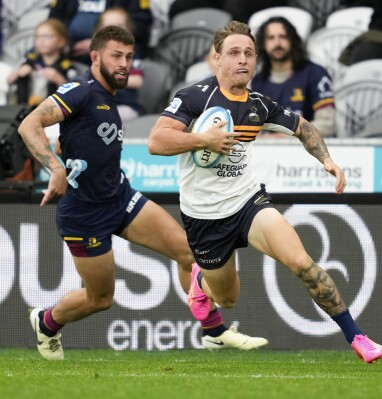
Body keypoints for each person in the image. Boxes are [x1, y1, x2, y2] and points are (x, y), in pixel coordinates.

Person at [18, 25, 267, 361]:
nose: (124, 63)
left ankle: (214, 332)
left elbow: (80, 136)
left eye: (129, 57)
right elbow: (28, 125)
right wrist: (57, 167)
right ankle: (47, 322)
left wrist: (71, 145)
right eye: (116, 56)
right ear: (95, 57)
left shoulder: (108, 97)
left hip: (119, 197)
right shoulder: (80, 90)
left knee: (188, 253)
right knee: (100, 299)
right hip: (84, 214)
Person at [147, 20, 382, 363]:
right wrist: (204, 140)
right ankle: (200, 285)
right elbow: (156, 142)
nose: (242, 60)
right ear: (216, 59)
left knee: (303, 263)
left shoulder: (259, 105)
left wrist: (327, 159)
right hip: (205, 216)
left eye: (248, 53)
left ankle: (358, 337)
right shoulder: (194, 97)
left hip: (249, 202)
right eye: (233, 53)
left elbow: (303, 127)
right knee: (228, 298)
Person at [251, 16, 336, 137]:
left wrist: (286, 136)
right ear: (263, 44)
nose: (277, 43)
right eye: (271, 38)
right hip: (267, 152)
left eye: (283, 37)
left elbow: (328, 125)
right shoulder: (256, 82)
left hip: (308, 150)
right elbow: (249, 128)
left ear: (292, 40)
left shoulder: (315, 73)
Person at [49, 0, 152, 64]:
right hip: (68, 48)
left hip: (113, 45)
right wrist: (66, 45)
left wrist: (99, 42)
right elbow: (53, 22)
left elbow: (140, 25)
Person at [7, 18, 79, 106]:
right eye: (38, 36)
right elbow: (8, 81)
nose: (41, 40)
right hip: (22, 109)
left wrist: (58, 79)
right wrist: (18, 72)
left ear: (61, 41)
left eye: (47, 36)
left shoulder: (66, 66)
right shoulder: (29, 60)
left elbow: (75, 95)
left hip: (51, 112)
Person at [95, 7, 142, 121]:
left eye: (120, 26)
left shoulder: (132, 50)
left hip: (124, 106)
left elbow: (137, 81)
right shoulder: (97, 51)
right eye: (109, 27)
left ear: (129, 29)